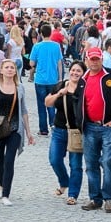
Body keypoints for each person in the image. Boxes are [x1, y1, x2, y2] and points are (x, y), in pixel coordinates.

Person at [74, 47, 111, 213]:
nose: (94, 62)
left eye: (97, 59)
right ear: (87, 60)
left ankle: (109, 198)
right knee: (91, 164)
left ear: (101, 59)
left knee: (108, 162)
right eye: (92, 59)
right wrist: (80, 122)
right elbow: (76, 101)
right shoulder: (83, 79)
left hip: (109, 127)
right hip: (90, 127)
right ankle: (95, 198)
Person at [0, 58, 35, 205]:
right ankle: (1, 184)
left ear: (15, 71)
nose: (9, 70)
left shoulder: (19, 88)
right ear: (1, 70)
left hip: (15, 129)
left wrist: (28, 132)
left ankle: (6, 193)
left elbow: (24, 110)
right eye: (6, 67)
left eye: (12, 67)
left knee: (9, 160)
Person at [47, 60, 86, 205]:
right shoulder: (60, 85)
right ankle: (64, 182)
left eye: (78, 71)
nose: (75, 73)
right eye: (73, 70)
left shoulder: (84, 88)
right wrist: (59, 94)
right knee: (54, 159)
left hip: (77, 131)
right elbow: (47, 102)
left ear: (83, 74)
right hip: (59, 129)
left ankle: (73, 194)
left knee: (75, 164)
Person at [30, 24, 65, 136]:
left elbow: (31, 63)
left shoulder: (37, 46)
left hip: (40, 79)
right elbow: (60, 63)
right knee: (52, 103)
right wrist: (60, 77)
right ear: (51, 33)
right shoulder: (56, 46)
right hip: (53, 79)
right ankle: (53, 124)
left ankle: (43, 129)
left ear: (40, 33)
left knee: (41, 105)